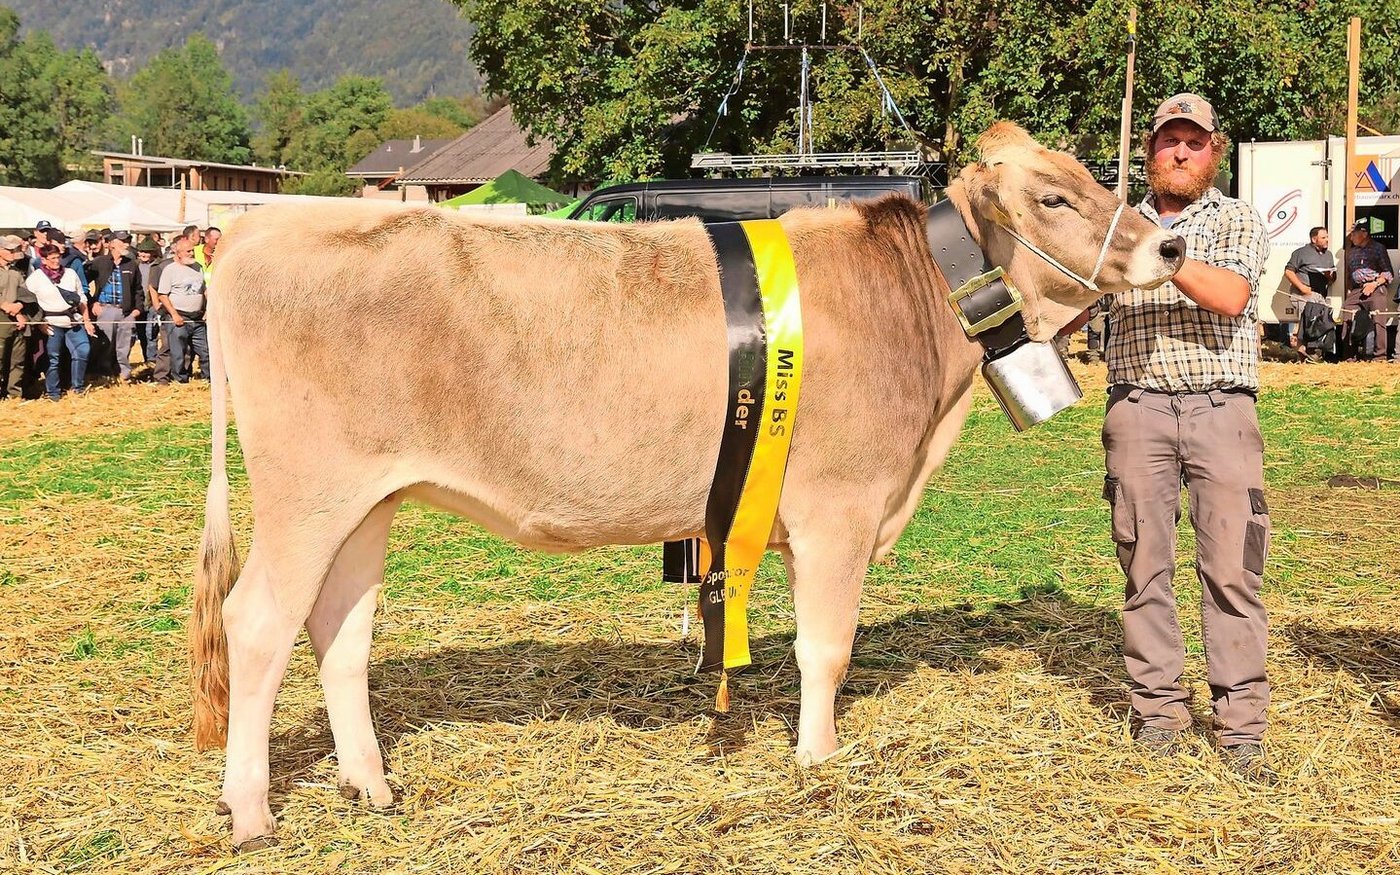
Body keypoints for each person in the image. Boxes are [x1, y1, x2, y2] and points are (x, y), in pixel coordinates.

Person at [1101, 93, 1274, 782]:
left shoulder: (1235, 219)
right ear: (1149, 150)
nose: (1178, 152)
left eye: (1192, 142)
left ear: (1214, 151)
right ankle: (1161, 716)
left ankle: (1241, 727)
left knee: (1233, 569)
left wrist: (1151, 252)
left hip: (1221, 410)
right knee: (1144, 567)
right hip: (1136, 408)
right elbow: (1074, 295)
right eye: (1167, 140)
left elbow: (1231, 295)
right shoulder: (1113, 224)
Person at [27, 243, 96, 400]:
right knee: (53, 358)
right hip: (51, 321)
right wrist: (40, 323)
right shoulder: (36, 278)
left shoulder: (70, 273)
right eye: (52, 259)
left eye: (58, 257)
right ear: (43, 260)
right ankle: (53, 393)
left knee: (83, 351)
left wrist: (87, 320)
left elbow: (82, 298)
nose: (56, 261)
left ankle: (77, 388)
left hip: (73, 320)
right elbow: (29, 302)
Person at [88, 231, 143, 381]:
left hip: (126, 312)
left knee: (124, 345)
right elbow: (82, 284)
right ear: (112, 243)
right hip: (106, 309)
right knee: (105, 344)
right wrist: (93, 303)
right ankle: (104, 374)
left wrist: (137, 309)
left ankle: (123, 374)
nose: (126, 244)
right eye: (122, 241)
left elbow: (138, 289)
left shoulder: (131, 264)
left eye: (128, 241)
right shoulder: (99, 262)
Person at [157, 239, 209, 382]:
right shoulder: (170, 270)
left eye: (192, 250)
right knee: (178, 353)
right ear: (178, 253)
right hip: (178, 317)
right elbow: (162, 295)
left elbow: (204, 290)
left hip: (198, 318)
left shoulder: (198, 267)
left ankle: (208, 378)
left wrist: (207, 310)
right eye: (188, 251)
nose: (192, 253)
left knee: (205, 350)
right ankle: (180, 380)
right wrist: (174, 315)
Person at [1343, 221, 1394, 361]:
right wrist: (1350, 290)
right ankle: (1349, 356)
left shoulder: (1378, 248)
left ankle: (1379, 357)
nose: (1351, 237)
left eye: (1353, 234)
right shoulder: (1351, 252)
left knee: (1378, 320)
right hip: (1356, 289)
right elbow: (1349, 274)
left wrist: (1374, 284)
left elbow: (1388, 273)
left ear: (1364, 233)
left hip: (1375, 288)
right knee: (1347, 315)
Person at [1282, 226, 1335, 351]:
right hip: (1303, 294)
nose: (1327, 240)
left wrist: (1330, 275)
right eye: (1323, 237)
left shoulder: (1329, 255)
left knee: (1324, 322)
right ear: (1314, 239)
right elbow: (1289, 272)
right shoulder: (1301, 253)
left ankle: (1316, 353)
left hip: (1320, 295)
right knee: (1309, 321)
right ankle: (1303, 353)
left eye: (1327, 237)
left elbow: (1333, 278)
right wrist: (1302, 287)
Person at [0, 235, 35, 400]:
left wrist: (20, 309)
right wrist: (4, 305)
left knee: (17, 359)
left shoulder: (16, 272)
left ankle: (14, 394)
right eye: (9, 250)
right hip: (2, 318)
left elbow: (26, 293)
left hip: (17, 319)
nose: (13, 253)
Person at [134, 238, 161, 363]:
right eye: (141, 251)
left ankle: (152, 360)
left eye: (146, 252)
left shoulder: (158, 266)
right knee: (141, 334)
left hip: (152, 304)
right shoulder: (135, 265)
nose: (143, 254)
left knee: (151, 333)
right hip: (139, 305)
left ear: (153, 253)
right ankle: (146, 358)